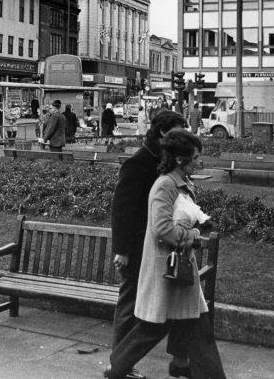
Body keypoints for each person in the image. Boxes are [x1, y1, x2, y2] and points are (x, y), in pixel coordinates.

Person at [106, 129, 225, 379]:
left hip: (175, 266)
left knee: (190, 320)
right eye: (195, 158)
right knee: (161, 324)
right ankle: (118, 367)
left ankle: (179, 364)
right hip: (167, 269)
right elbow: (160, 228)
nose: (199, 162)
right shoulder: (165, 185)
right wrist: (191, 236)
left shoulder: (178, 183)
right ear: (180, 160)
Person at [108, 110, 191, 379]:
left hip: (161, 248)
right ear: (163, 132)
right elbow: (122, 210)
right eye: (178, 132)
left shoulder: (165, 163)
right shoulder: (139, 162)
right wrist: (121, 250)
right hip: (137, 248)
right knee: (130, 304)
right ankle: (118, 363)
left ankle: (180, 360)